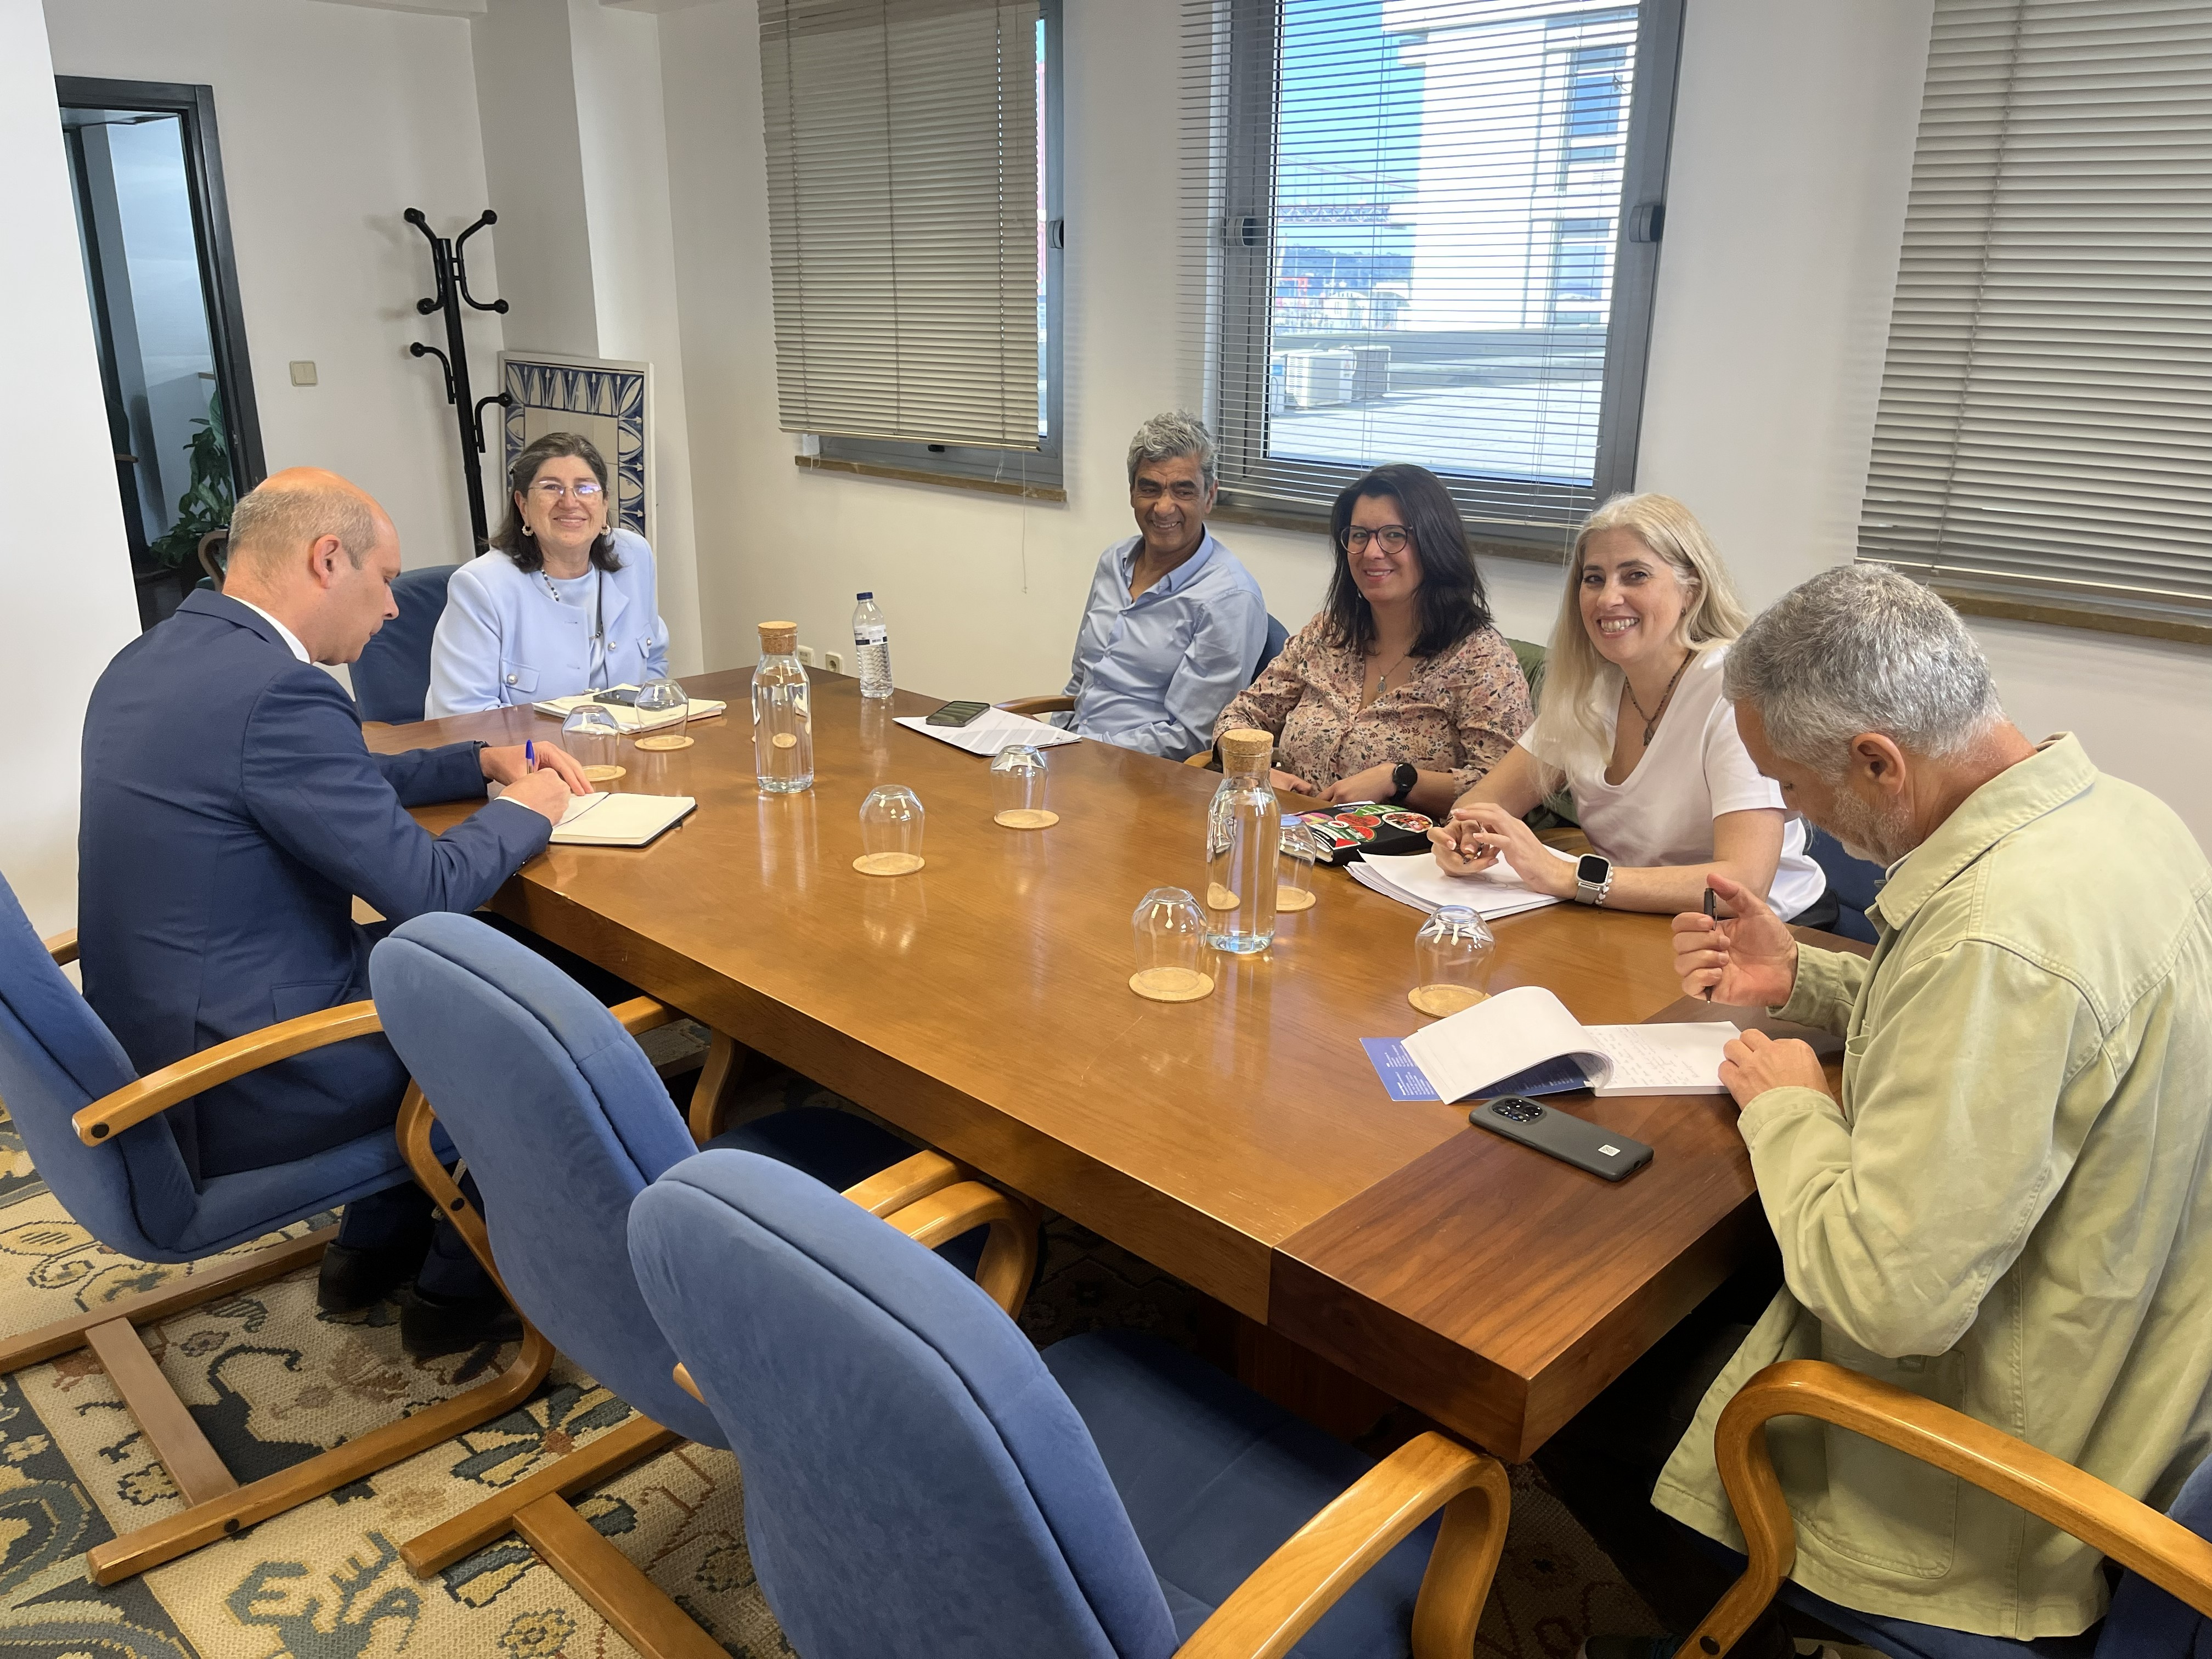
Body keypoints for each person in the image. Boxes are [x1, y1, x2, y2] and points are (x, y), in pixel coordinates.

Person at [1560, 566, 2212, 1659]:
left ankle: (1729, 1633)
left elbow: (1887, 1300)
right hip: (2141, 1368)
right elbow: (2018, 1030)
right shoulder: (2120, 821)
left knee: (1588, 1397)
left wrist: (1790, 1108)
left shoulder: (1998, 936)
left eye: (1792, 786)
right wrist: (1803, 978)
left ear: (1877, 760)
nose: (1793, 814)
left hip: (2006, 1484)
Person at [79, 469, 591, 1356]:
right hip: (247, 1075)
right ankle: (461, 1289)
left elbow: (319, 777)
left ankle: (372, 1245)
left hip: (161, 1039)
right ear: (327, 559)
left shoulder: (155, 657)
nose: (393, 607)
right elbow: (428, 888)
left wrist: (475, 763)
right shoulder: (279, 691)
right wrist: (530, 808)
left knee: (462, 962)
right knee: (531, 1015)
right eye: (385, 579)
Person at [1427, 493, 1824, 919]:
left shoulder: (1732, 691)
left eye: (1636, 576)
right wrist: (1461, 838)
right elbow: (1485, 803)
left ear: (1691, 590)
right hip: (1632, 916)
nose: (1608, 598)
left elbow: (1742, 885)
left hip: (1764, 930)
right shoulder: (1590, 687)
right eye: (1594, 579)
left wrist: (1567, 876)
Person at [1214, 462, 1531, 814]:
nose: (1372, 552)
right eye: (1359, 535)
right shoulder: (1327, 634)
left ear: (1435, 543)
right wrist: (1257, 772)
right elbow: (1239, 717)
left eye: (1394, 535)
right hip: (1296, 832)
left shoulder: (1482, 660)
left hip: (1412, 847)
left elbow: (1504, 790)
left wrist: (1399, 780)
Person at [1058, 411, 1268, 759]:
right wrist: (1050, 741)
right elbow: (1082, 680)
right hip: (1073, 753)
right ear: (1132, 493)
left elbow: (1194, 736)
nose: (1164, 507)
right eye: (1150, 489)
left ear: (1209, 497)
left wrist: (1085, 754)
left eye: (1183, 491)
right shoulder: (1113, 561)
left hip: (1142, 775)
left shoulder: (1229, 599)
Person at [425, 431, 672, 717]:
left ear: (604, 503)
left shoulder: (634, 557)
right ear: (523, 506)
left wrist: (644, 726)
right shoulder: (481, 587)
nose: (570, 502)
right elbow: (464, 715)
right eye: (551, 487)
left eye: (585, 488)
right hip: (525, 746)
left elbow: (654, 661)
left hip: (623, 741)